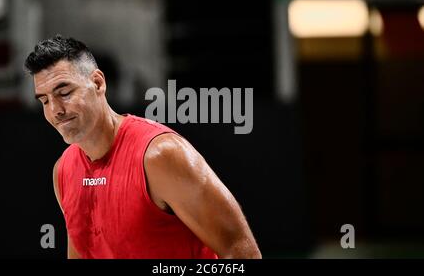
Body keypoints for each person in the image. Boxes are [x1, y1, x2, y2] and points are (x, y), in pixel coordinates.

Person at [25, 35, 261, 259]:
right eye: (44, 100)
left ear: (98, 83)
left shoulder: (161, 154)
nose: (55, 110)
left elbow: (243, 253)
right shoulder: (64, 171)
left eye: (64, 93)